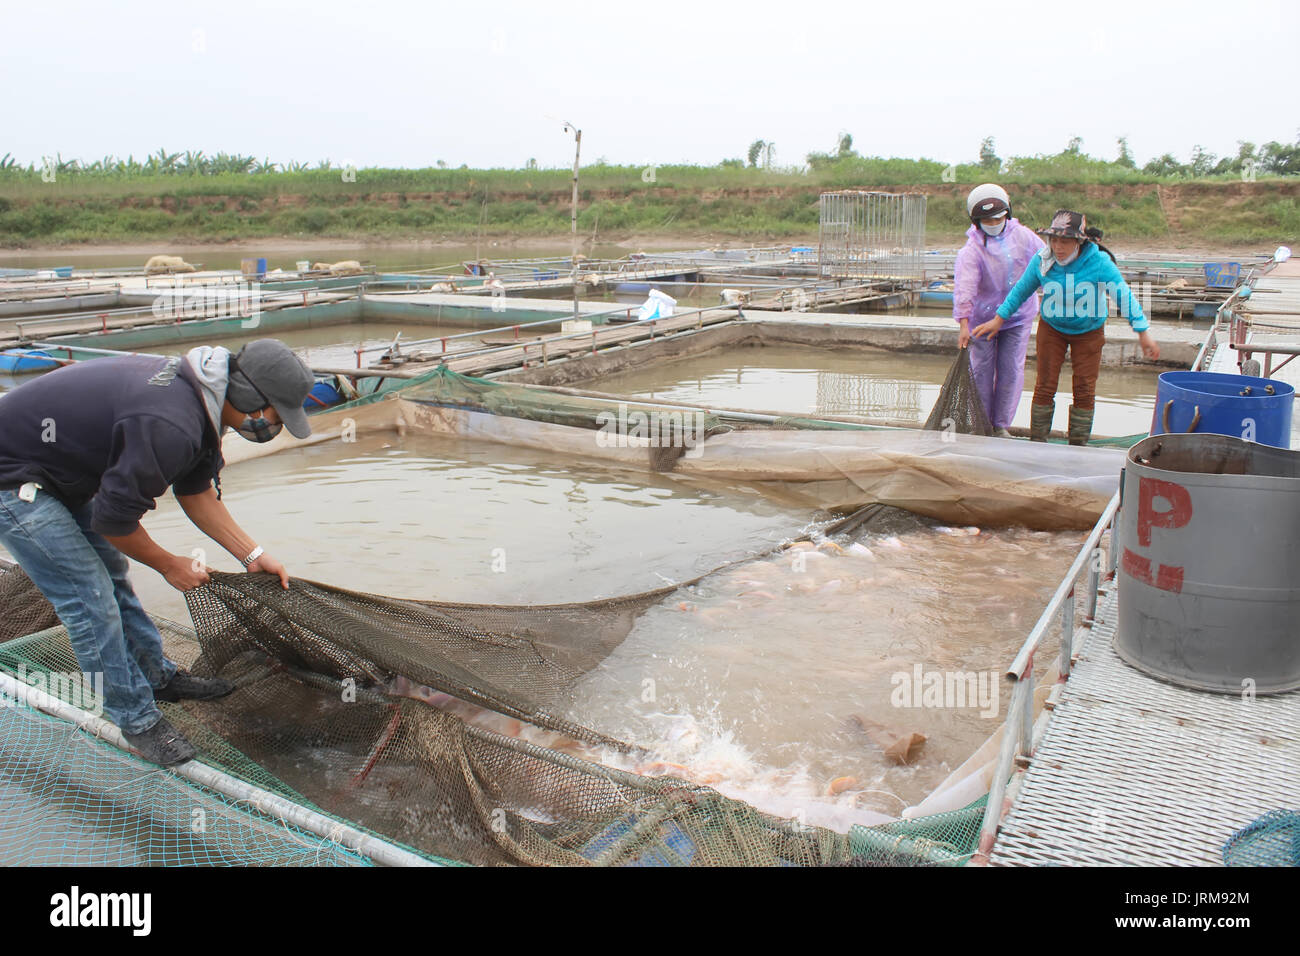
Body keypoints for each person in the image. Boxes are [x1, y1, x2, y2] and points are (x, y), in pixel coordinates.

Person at [0, 339, 315, 766]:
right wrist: (169, 564)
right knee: (90, 599)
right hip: (13, 481)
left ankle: (157, 677)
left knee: (113, 571)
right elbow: (113, 522)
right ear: (248, 396)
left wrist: (251, 554)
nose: (271, 426)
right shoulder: (171, 421)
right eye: (275, 415)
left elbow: (197, 492)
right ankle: (135, 719)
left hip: (54, 471)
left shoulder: (203, 402)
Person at [977, 209, 1160, 445]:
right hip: (1052, 329)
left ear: (1079, 241)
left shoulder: (1098, 262)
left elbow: (1123, 296)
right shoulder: (1043, 260)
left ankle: (1078, 445)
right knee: (1045, 385)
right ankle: (1037, 442)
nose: (1059, 247)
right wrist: (999, 318)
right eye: (1054, 240)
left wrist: (1142, 332)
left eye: (1065, 241)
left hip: (1089, 331)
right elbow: (1021, 290)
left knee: (1084, 388)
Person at [955, 184, 1046, 437]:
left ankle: (1001, 425)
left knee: (1012, 370)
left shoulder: (1024, 236)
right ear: (976, 221)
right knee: (982, 370)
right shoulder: (971, 250)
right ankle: (982, 423)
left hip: (1018, 316)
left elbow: (1046, 262)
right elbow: (965, 287)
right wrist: (964, 324)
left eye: (998, 217)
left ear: (1007, 214)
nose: (994, 222)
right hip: (983, 320)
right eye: (987, 219)